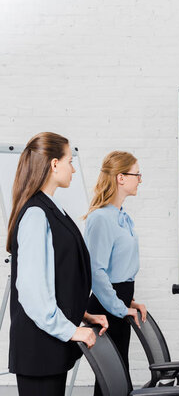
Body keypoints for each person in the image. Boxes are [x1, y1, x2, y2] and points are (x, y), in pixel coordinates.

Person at [6, 132, 107, 396]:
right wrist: (71, 330)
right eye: (69, 160)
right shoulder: (36, 215)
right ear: (54, 164)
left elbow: (57, 279)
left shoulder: (51, 208)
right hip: (39, 350)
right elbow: (32, 292)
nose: (73, 168)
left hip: (49, 348)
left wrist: (82, 315)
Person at [84, 151, 146, 395]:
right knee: (113, 382)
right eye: (136, 174)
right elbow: (96, 271)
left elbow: (117, 268)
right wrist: (120, 307)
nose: (140, 179)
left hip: (119, 299)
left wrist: (128, 301)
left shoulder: (122, 217)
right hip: (107, 309)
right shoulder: (100, 218)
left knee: (118, 379)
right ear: (121, 178)